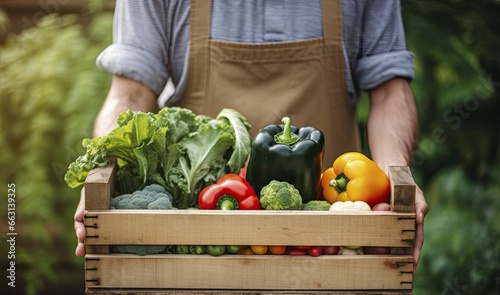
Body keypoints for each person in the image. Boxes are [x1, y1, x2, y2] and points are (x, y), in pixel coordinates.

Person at [74, 0, 428, 269]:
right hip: (197, 257)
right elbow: (130, 95)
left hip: (333, 252)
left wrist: (397, 177)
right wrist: (102, 172)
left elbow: (389, 91)